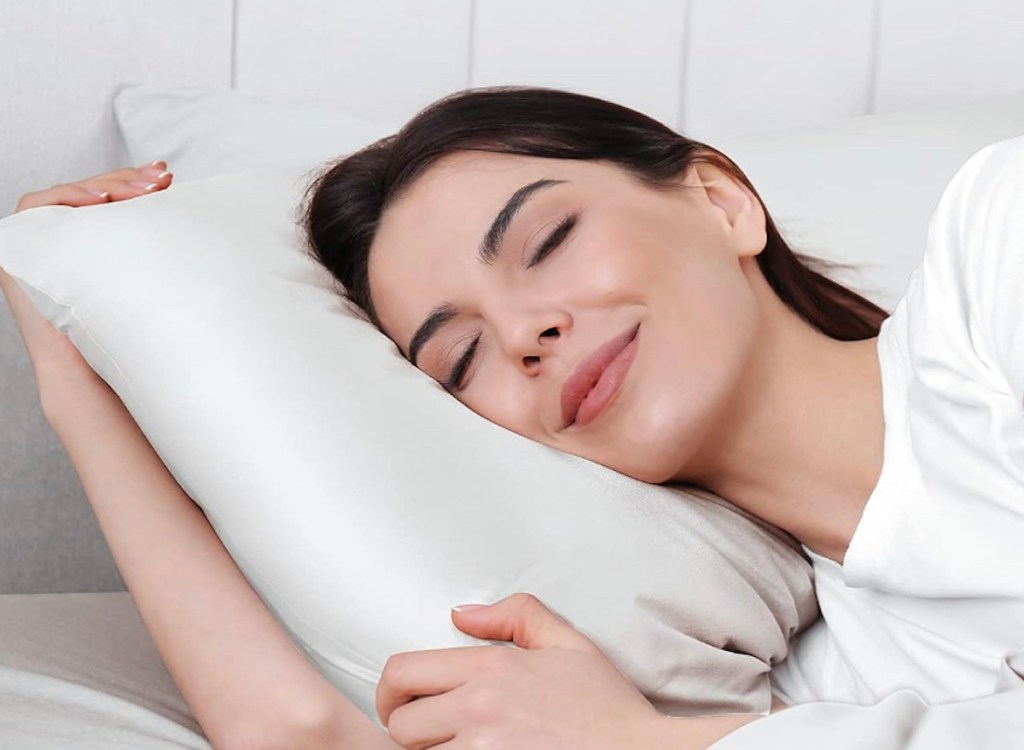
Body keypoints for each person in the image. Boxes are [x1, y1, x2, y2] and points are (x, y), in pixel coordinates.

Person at [3, 85, 1022, 748]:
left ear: (719, 201)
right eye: (461, 358)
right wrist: (72, 358)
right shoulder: (832, 671)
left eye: (543, 242)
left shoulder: (996, 248)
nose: (527, 334)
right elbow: (303, 735)